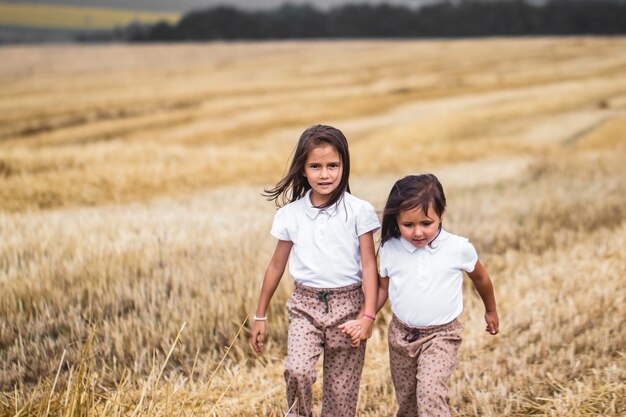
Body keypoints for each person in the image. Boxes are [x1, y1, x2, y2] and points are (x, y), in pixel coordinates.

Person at [249, 124, 380, 417]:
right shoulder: (290, 215)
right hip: (305, 306)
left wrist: (368, 316)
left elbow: (370, 266)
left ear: (344, 166)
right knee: (297, 370)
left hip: (349, 308)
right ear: (303, 169)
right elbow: (275, 266)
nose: (325, 174)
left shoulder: (359, 211)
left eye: (333, 165)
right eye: (316, 166)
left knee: (341, 394)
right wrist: (260, 315)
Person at [343, 173, 499, 417]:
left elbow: (481, 278)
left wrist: (490, 309)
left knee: (430, 393)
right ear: (397, 220)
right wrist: (367, 316)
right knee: (407, 403)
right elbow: (383, 288)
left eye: (426, 223)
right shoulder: (390, 248)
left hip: (442, 335)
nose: (418, 232)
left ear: (441, 214)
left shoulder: (458, 248)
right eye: (408, 225)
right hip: (401, 336)